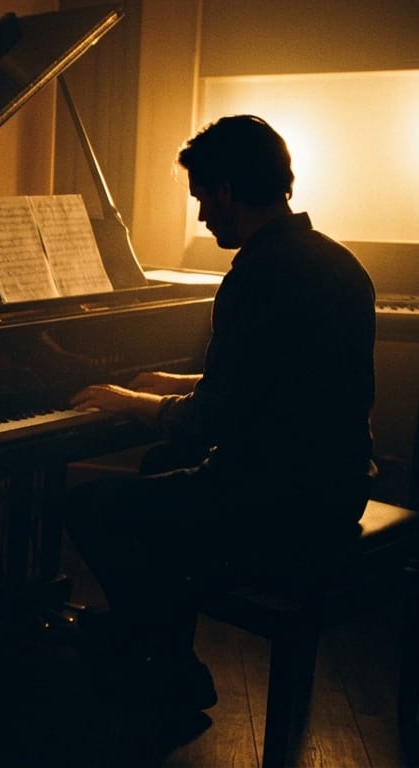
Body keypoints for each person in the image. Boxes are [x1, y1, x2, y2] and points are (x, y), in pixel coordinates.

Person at [63, 115, 377, 733]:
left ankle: (161, 661)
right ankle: (157, 649)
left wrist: (129, 400)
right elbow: (271, 386)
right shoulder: (337, 263)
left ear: (227, 191)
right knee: (157, 472)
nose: (203, 216)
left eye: (203, 197)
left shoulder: (257, 277)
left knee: (91, 505)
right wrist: (167, 384)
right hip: (338, 486)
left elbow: (208, 423)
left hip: (276, 504)